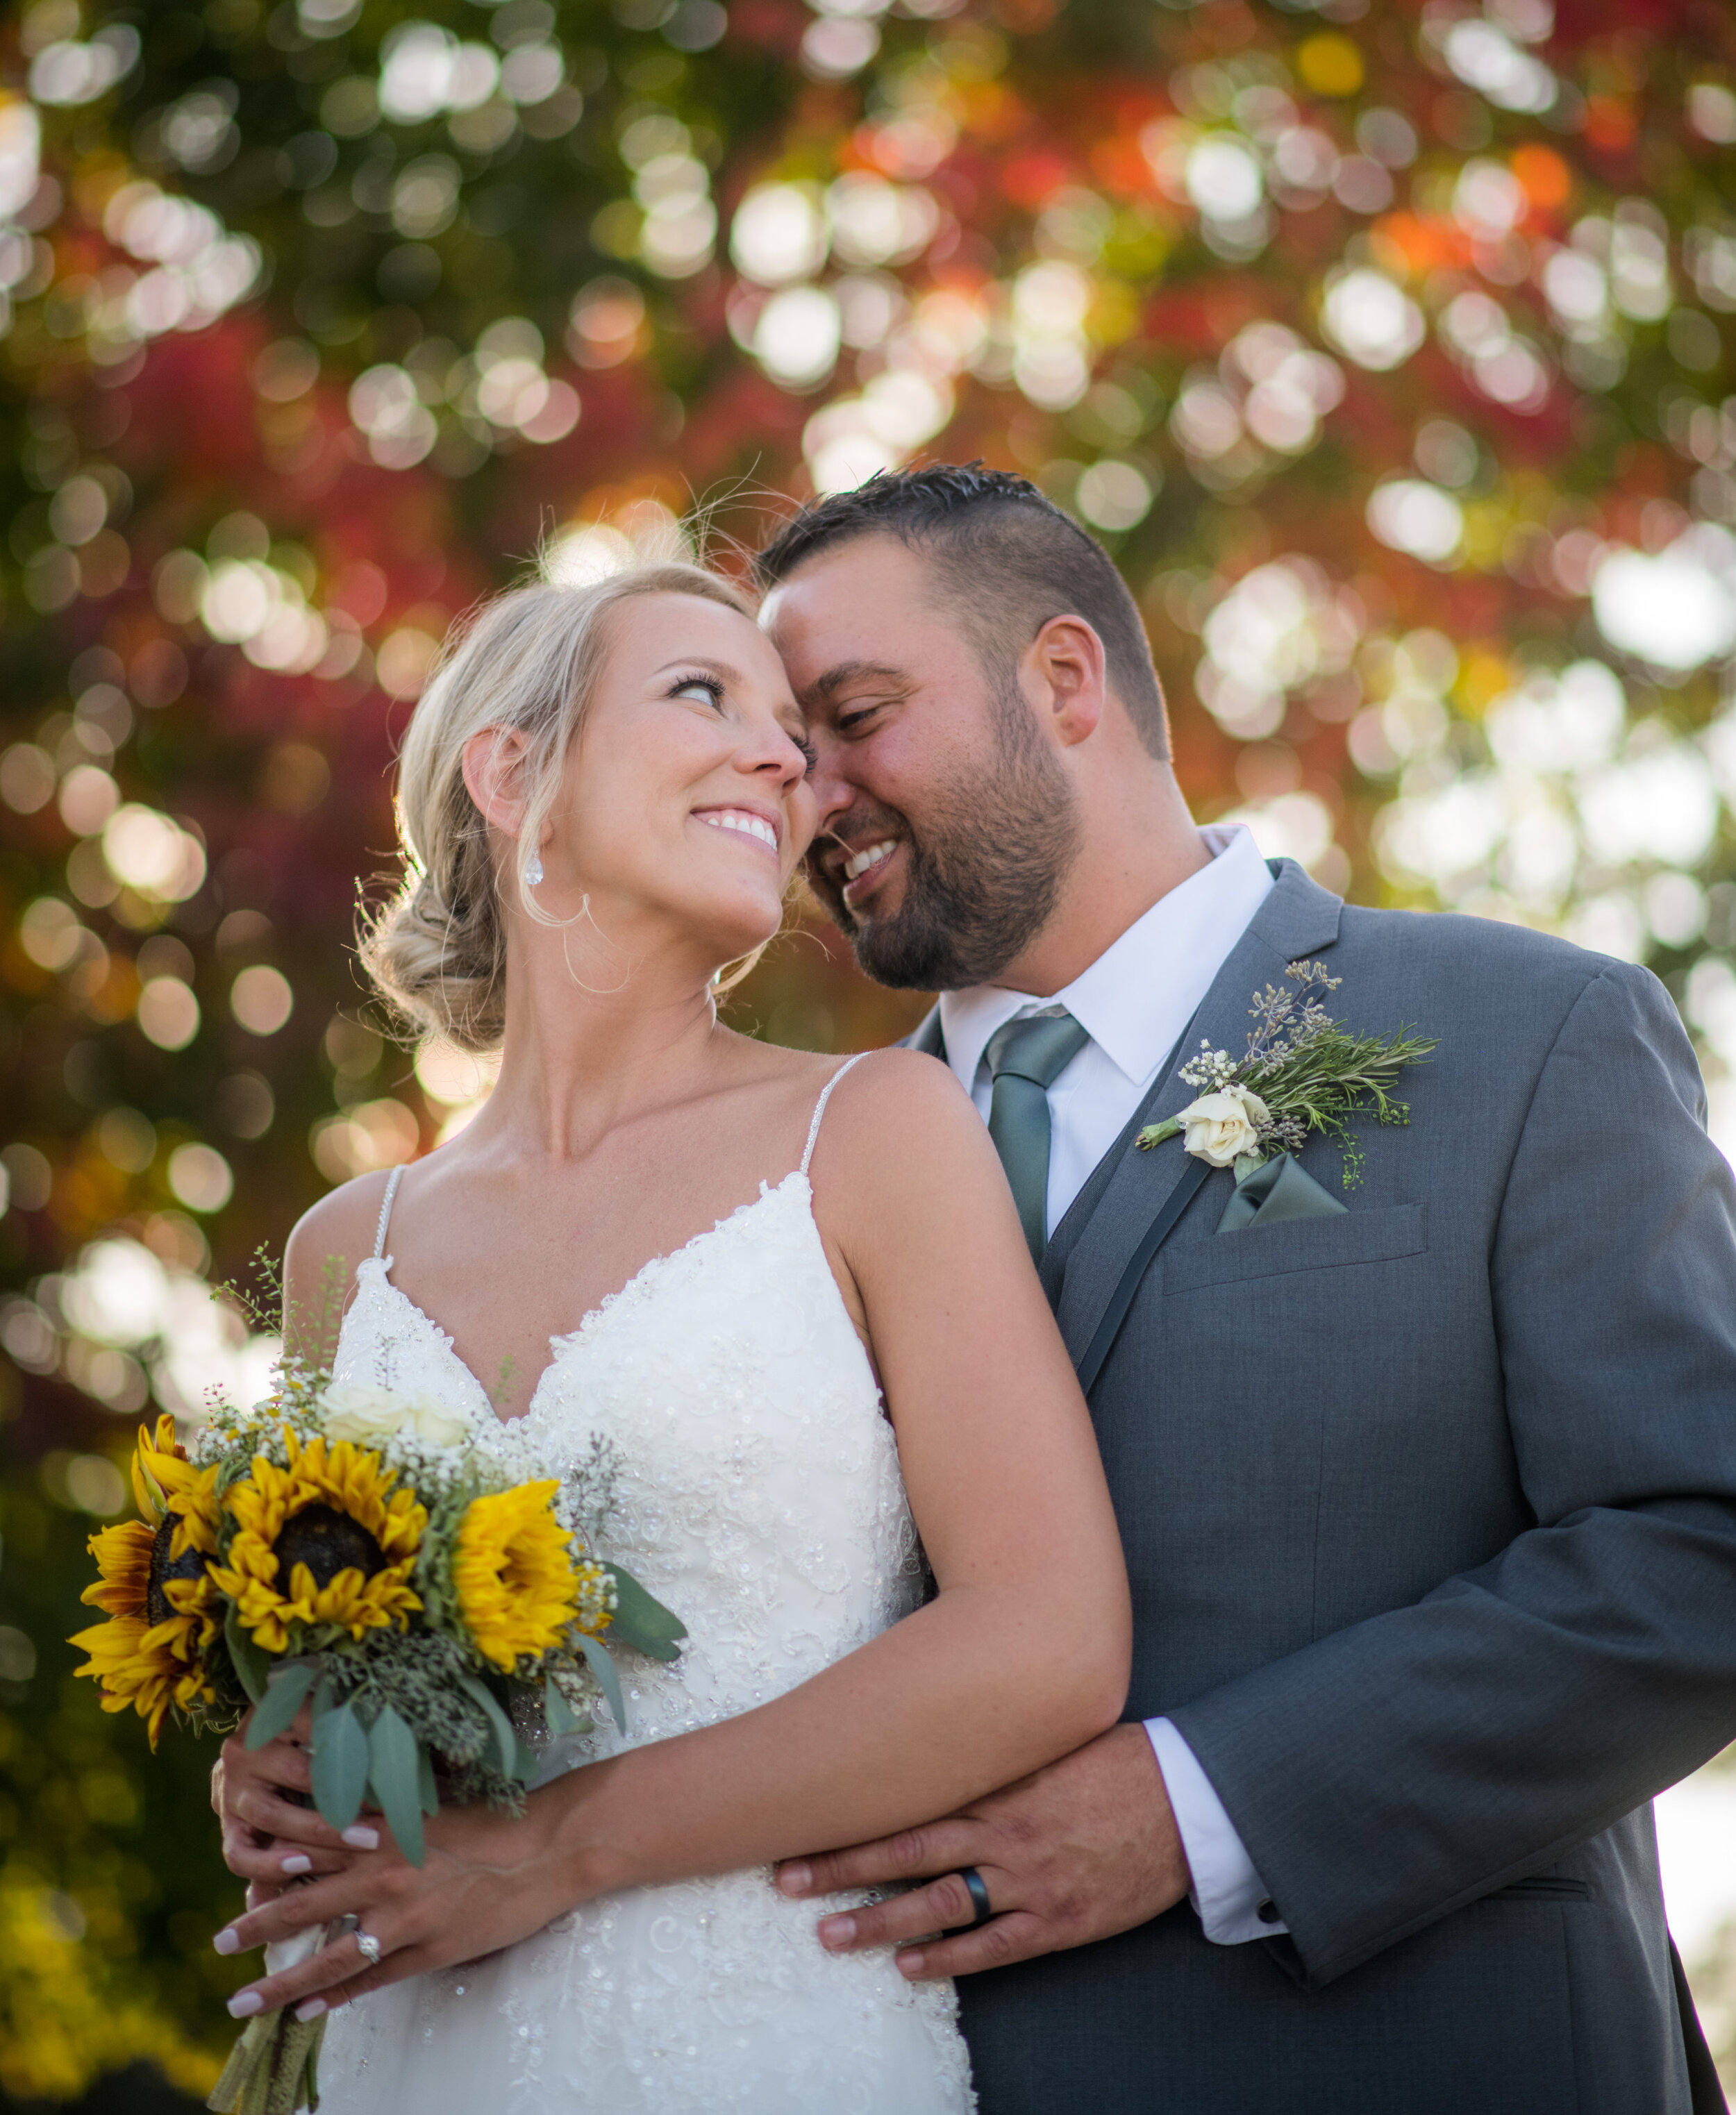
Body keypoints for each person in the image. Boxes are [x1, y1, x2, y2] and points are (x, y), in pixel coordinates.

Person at [751, 462, 1736, 2115]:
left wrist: (1201, 1809)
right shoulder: (776, 1180)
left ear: (1061, 680)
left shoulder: (1524, 1035)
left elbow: (1698, 1543)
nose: (813, 798)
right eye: (786, 761)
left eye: (853, 716)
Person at [208, 557, 1131, 2112]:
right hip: (412, 2047)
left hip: (765, 2037)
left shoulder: (874, 1130)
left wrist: (554, 1852)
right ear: (514, 774)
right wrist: (269, 1766)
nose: (787, 759)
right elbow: (321, 1674)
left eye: (794, 728)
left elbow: (1044, 1642)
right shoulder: (342, 1255)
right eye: (703, 695)